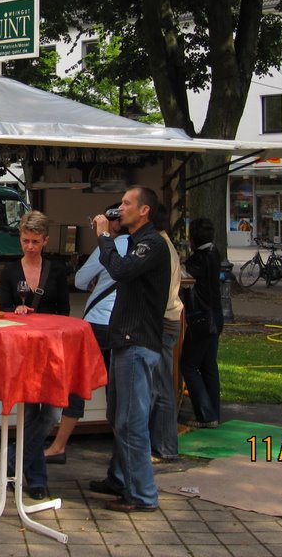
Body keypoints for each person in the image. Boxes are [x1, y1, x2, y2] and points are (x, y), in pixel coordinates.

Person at [90, 186, 170, 513]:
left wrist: (104, 237)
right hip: (125, 341)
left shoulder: (152, 244)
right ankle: (119, 478)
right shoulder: (139, 242)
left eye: (126, 203)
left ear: (144, 210)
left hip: (137, 343)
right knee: (117, 416)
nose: (120, 208)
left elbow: (120, 270)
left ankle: (143, 495)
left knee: (131, 422)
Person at [44, 202, 127, 464]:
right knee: (119, 391)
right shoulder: (144, 246)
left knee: (77, 386)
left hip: (97, 324)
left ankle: (59, 445)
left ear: (112, 223)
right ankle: (123, 451)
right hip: (124, 324)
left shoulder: (107, 248)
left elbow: (80, 280)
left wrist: (96, 280)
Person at [0, 210, 70, 500]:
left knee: (51, 413)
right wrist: (14, 310)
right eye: (25, 240)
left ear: (45, 241)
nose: (30, 246)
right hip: (22, 349)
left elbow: (64, 311)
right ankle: (37, 479)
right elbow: (3, 308)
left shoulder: (57, 270)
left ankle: (13, 462)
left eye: (35, 241)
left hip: (51, 347)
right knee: (28, 413)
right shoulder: (10, 272)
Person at [181, 217, 224, 428]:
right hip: (216, 316)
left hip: (201, 318)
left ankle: (206, 414)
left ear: (193, 239)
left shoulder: (198, 259)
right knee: (208, 365)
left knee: (188, 365)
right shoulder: (214, 253)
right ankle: (213, 411)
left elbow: (181, 276)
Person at [149, 203, 183, 463]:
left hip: (162, 323)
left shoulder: (158, 248)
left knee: (161, 388)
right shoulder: (164, 245)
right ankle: (164, 445)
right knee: (160, 387)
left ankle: (166, 447)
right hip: (167, 321)